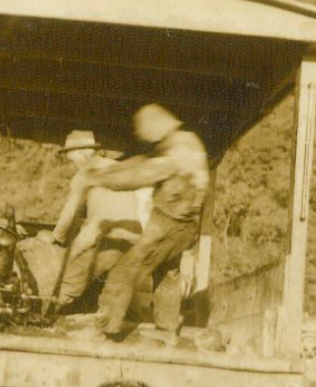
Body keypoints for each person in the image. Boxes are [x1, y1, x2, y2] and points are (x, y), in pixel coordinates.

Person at [74, 104, 209, 337]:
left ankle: (106, 328)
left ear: (156, 132)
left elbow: (139, 175)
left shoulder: (177, 150)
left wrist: (97, 178)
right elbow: (140, 162)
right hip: (186, 227)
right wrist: (108, 171)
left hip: (169, 223)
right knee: (168, 273)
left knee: (128, 268)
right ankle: (167, 329)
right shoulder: (188, 141)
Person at [39, 130, 153, 310]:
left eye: (71, 159)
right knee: (127, 298)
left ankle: (43, 322)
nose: (72, 164)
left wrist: (56, 237)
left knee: (66, 286)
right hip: (134, 239)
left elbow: (70, 211)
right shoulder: (117, 167)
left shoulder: (86, 173)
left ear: (81, 152)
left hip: (106, 239)